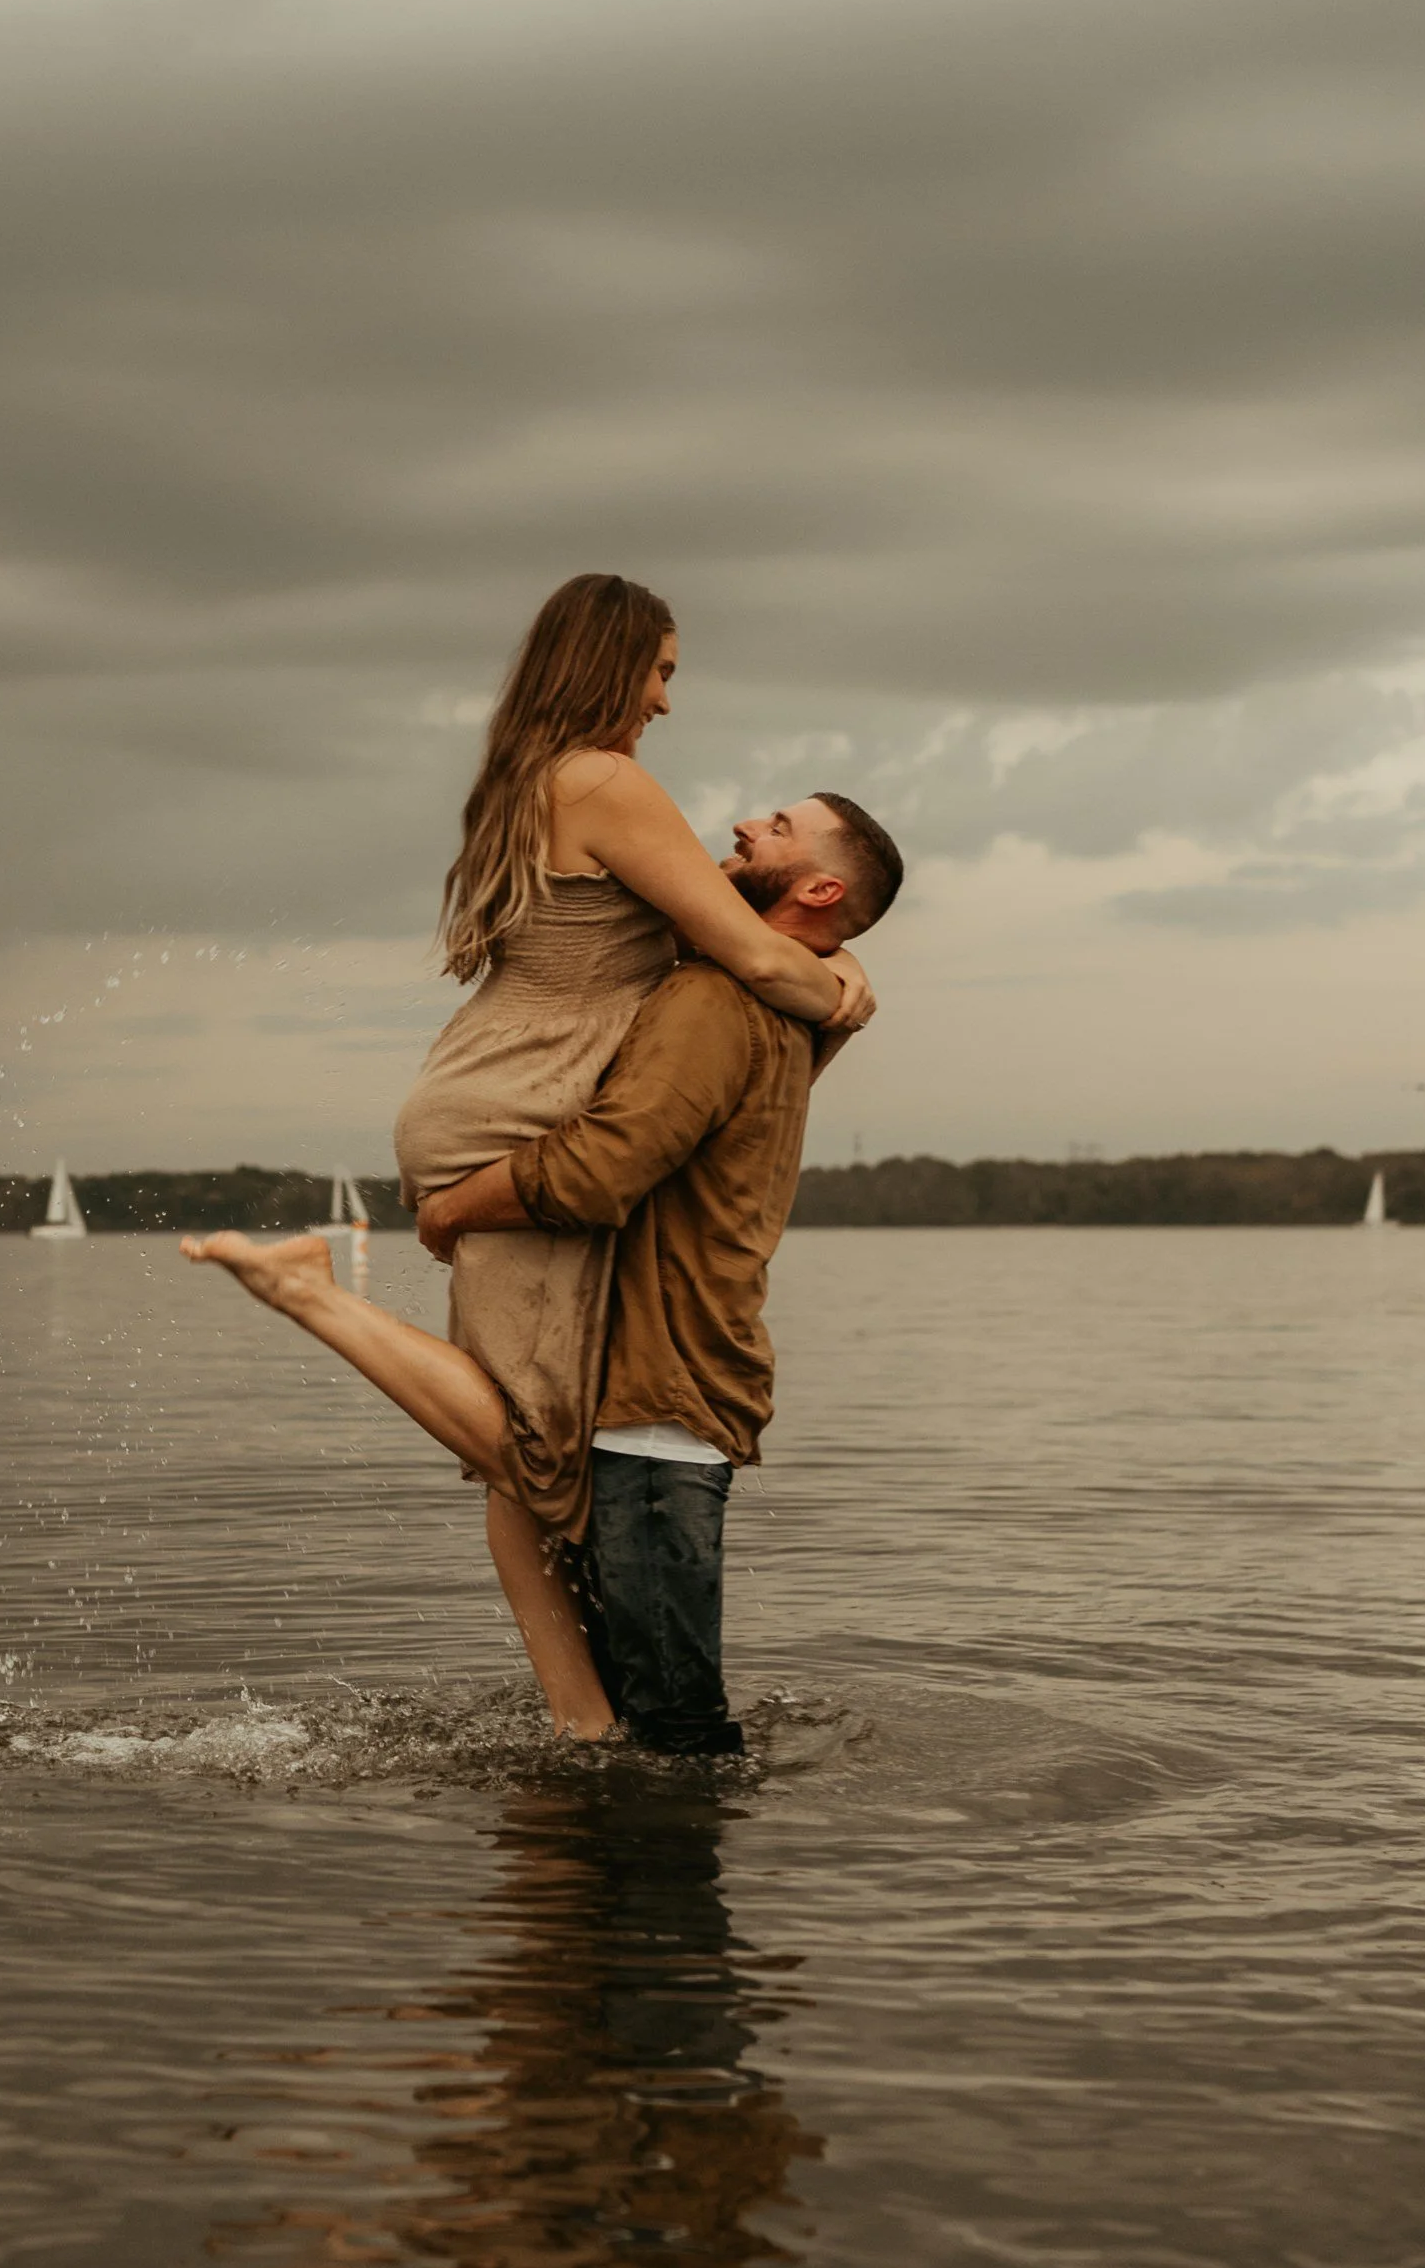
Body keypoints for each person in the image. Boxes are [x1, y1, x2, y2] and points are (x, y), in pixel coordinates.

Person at [183, 572, 874, 1737]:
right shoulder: (605, 779)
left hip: (496, 1084)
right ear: (611, 664)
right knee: (540, 1440)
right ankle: (308, 1290)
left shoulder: (539, 778)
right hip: (524, 1101)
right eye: (659, 669)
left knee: (523, 1441)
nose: (663, 699)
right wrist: (849, 990)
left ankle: (578, 1716)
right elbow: (752, 960)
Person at [416, 792, 905, 1754]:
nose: (744, 827)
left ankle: (658, 1893)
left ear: (818, 885)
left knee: (675, 1744)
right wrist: (842, 967)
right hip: (660, 1412)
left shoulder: (715, 1003)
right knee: (648, 1726)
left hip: (654, 1417)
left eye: (778, 825)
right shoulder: (768, 1001)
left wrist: (449, 1209)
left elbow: (600, 1171)